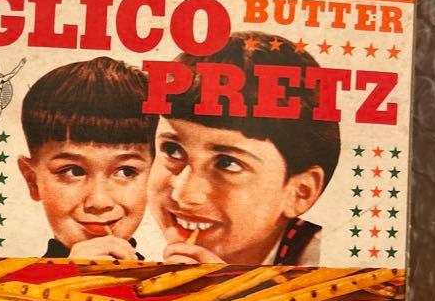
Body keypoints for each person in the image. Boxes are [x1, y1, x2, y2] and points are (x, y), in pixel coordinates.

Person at [148, 32, 340, 266]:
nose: (183, 194)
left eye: (227, 163)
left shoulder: (327, 264)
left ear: (300, 192)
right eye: (172, 150)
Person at [17, 57, 154, 260]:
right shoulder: (12, 279)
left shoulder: (176, 275)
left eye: (126, 172)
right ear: (32, 181)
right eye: (73, 171)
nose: (99, 201)